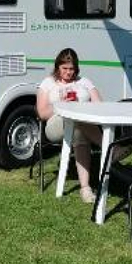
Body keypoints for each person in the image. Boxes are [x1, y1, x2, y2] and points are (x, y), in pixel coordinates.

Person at [36, 48, 104, 203]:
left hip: (80, 125)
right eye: (64, 68)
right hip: (55, 125)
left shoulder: (84, 82)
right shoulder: (48, 83)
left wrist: (80, 106)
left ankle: (85, 188)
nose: (68, 72)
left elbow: (100, 105)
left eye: (71, 69)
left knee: (78, 130)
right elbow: (42, 113)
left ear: (76, 68)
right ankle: (107, 148)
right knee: (76, 120)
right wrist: (61, 105)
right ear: (57, 67)